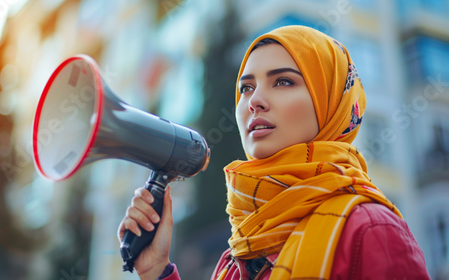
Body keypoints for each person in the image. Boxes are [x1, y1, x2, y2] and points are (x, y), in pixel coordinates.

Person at [118, 25, 430, 280]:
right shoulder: (236, 255)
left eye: (283, 81)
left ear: (330, 104)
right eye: (246, 87)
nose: (255, 101)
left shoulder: (370, 229)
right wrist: (156, 271)